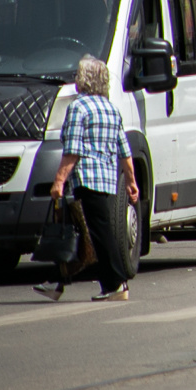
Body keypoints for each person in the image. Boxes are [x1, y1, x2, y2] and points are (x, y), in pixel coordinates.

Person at [35, 57, 140, 303]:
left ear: (83, 80)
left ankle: (116, 283)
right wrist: (130, 181)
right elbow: (124, 150)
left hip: (85, 178)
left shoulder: (78, 107)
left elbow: (72, 150)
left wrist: (59, 180)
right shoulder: (111, 108)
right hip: (106, 179)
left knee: (95, 232)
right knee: (79, 232)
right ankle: (56, 282)